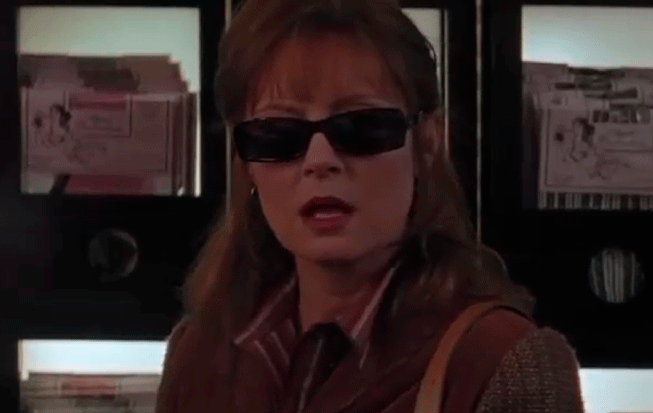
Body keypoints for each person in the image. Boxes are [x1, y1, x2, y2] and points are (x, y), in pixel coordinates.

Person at [156, 1, 585, 413]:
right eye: (279, 134)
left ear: (427, 144)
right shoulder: (199, 355)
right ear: (246, 163)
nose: (320, 161)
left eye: (361, 127)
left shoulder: (501, 364)